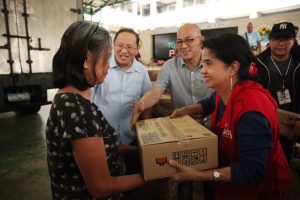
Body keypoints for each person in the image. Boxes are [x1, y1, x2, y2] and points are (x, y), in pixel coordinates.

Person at [168, 33, 292, 199]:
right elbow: (211, 102)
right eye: (203, 63)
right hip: (227, 183)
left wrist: (199, 175)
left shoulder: (251, 112)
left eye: (208, 64)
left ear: (233, 68)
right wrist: (185, 110)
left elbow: (251, 171)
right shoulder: (226, 89)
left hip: (256, 191)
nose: (203, 70)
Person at [45, 21, 145, 199]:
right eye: (106, 58)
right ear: (86, 60)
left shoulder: (69, 99)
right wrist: (154, 173)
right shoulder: (78, 111)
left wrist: (141, 150)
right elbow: (102, 187)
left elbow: (101, 146)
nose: (108, 66)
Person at [132, 23, 212, 200]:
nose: (183, 46)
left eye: (189, 40)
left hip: (211, 130)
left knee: (211, 182)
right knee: (183, 182)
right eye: (179, 41)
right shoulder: (169, 66)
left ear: (201, 40)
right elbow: (157, 91)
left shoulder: (212, 64)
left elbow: (219, 100)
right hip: (182, 133)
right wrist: (143, 102)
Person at [92, 28, 152, 176]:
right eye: (120, 45)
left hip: (130, 138)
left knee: (132, 177)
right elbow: (89, 101)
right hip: (102, 139)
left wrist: (146, 133)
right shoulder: (101, 67)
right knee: (104, 179)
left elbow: (147, 101)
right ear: (113, 45)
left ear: (137, 49)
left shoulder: (142, 72)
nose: (124, 51)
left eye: (130, 47)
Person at [257, 21, 300, 163]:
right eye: (277, 39)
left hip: (292, 121)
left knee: (284, 160)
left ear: (293, 41)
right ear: (270, 41)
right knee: (264, 161)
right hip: (264, 122)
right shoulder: (257, 64)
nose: (281, 43)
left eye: (286, 39)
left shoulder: (298, 61)